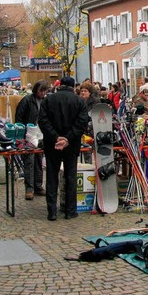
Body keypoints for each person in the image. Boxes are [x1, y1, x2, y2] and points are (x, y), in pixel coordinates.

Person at [38, 76, 89, 221]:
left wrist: (55, 137)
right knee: (70, 177)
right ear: (73, 87)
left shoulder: (48, 100)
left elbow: (42, 120)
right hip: (71, 144)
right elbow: (81, 123)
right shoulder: (79, 101)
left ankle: (52, 211)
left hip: (52, 143)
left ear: (60, 85)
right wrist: (67, 138)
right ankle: (70, 210)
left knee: (52, 177)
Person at [15, 80, 49, 201]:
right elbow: (19, 117)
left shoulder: (45, 101)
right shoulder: (27, 100)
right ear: (36, 90)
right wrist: (21, 135)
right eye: (41, 90)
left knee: (39, 161)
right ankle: (29, 188)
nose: (43, 93)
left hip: (40, 135)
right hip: (28, 134)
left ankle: (38, 186)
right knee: (29, 161)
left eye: (44, 91)